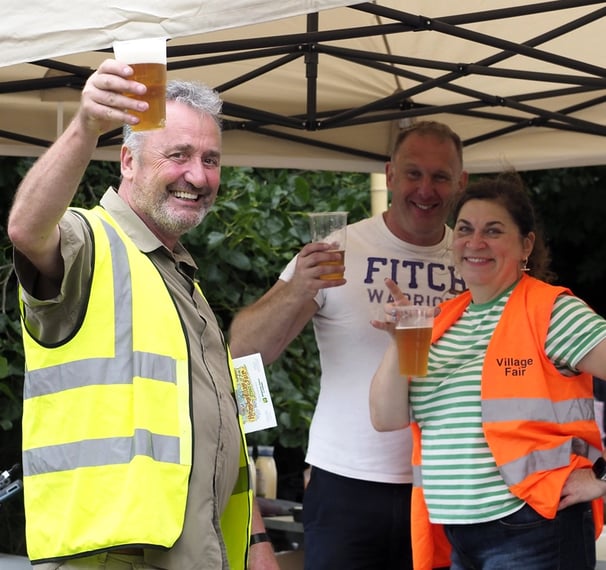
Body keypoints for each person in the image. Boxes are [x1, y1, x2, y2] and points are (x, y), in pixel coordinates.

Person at [7, 59, 278, 570]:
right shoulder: (89, 241)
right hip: (114, 558)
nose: (197, 176)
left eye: (211, 159)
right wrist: (86, 125)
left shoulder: (181, 276)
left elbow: (223, 431)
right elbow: (27, 230)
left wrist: (256, 545)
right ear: (128, 162)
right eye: (178, 155)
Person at [229, 121, 469, 569]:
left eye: (440, 176)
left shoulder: (473, 260)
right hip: (346, 483)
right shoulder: (338, 249)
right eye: (413, 173)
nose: (425, 189)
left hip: (449, 483)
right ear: (391, 175)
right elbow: (245, 351)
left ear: (461, 182)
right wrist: (297, 287)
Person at [370, 171, 606, 570]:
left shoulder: (551, 312)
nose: (475, 243)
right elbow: (386, 417)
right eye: (464, 229)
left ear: (525, 245)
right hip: (458, 534)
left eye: (493, 231)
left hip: (534, 526)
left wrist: (602, 480)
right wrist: (401, 338)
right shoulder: (442, 320)